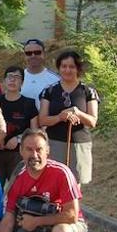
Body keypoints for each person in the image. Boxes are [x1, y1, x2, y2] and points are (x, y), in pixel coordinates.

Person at [39, 51, 99, 184]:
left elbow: (92, 121)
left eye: (71, 66)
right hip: (54, 142)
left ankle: (74, 206)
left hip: (79, 143)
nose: (67, 70)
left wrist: (77, 113)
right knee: (54, 181)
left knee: (75, 184)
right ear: (59, 68)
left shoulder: (88, 91)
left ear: (78, 69)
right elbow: (42, 120)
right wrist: (60, 117)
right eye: (64, 66)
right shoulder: (49, 91)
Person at [0, 66, 39, 187]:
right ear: (4, 81)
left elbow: (34, 130)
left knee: (18, 188)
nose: (12, 80)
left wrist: (19, 139)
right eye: (9, 77)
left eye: (17, 77)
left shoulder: (29, 103)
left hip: (19, 154)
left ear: (22, 82)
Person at [20, 39, 60, 110]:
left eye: (37, 52)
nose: (33, 56)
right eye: (28, 53)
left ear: (44, 54)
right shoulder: (17, 78)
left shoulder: (55, 79)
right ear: (24, 56)